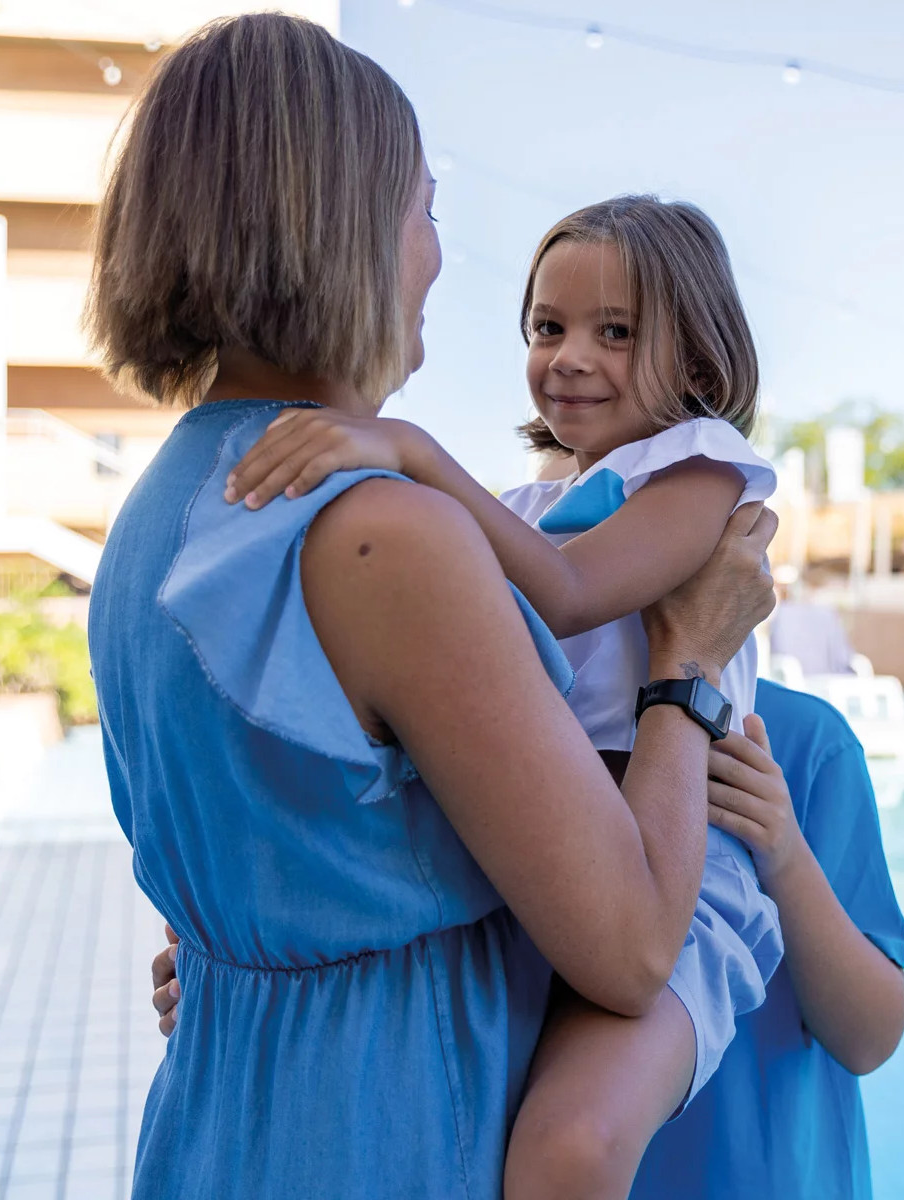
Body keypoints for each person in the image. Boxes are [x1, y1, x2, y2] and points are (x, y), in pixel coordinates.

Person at [85, 15, 775, 1198]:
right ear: (339, 226)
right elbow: (628, 951)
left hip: (221, 1116)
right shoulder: (385, 534)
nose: (435, 257)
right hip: (384, 1130)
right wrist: (689, 670)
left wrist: (234, 952)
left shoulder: (160, 509)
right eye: (423, 211)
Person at [216, 195, 786, 1196]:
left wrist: (412, 452)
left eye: (615, 332)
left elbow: (566, 597)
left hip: (676, 871)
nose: (567, 356)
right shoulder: (529, 506)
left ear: (697, 364)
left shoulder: (703, 473)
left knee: (569, 1148)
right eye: (546, 327)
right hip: (543, 856)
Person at [155, 679, 904, 1198]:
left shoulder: (796, 743)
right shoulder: (491, 753)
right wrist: (235, 975)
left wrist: (782, 851)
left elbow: (869, 1038)